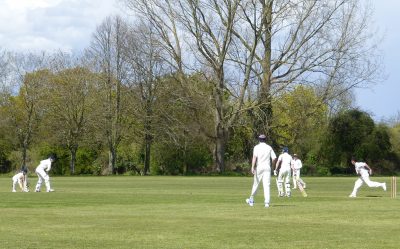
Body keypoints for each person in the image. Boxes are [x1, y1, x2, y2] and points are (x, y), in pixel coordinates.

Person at [246, 134, 277, 208]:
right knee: (267, 185)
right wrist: (273, 166)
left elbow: (254, 158)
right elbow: (274, 158)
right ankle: (267, 203)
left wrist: (252, 167)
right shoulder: (269, 147)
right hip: (267, 167)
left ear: (259, 140)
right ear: (265, 140)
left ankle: (251, 199)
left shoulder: (256, 147)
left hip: (259, 167)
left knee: (256, 183)